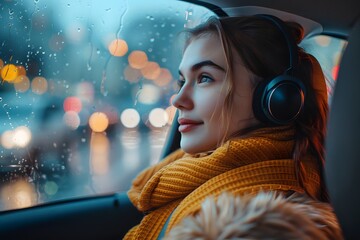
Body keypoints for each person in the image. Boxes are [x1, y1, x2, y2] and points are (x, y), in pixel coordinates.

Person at [124, 15, 342, 239]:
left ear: (275, 99)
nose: (178, 99)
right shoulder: (201, 177)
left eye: (205, 78)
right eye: (182, 82)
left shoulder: (249, 228)